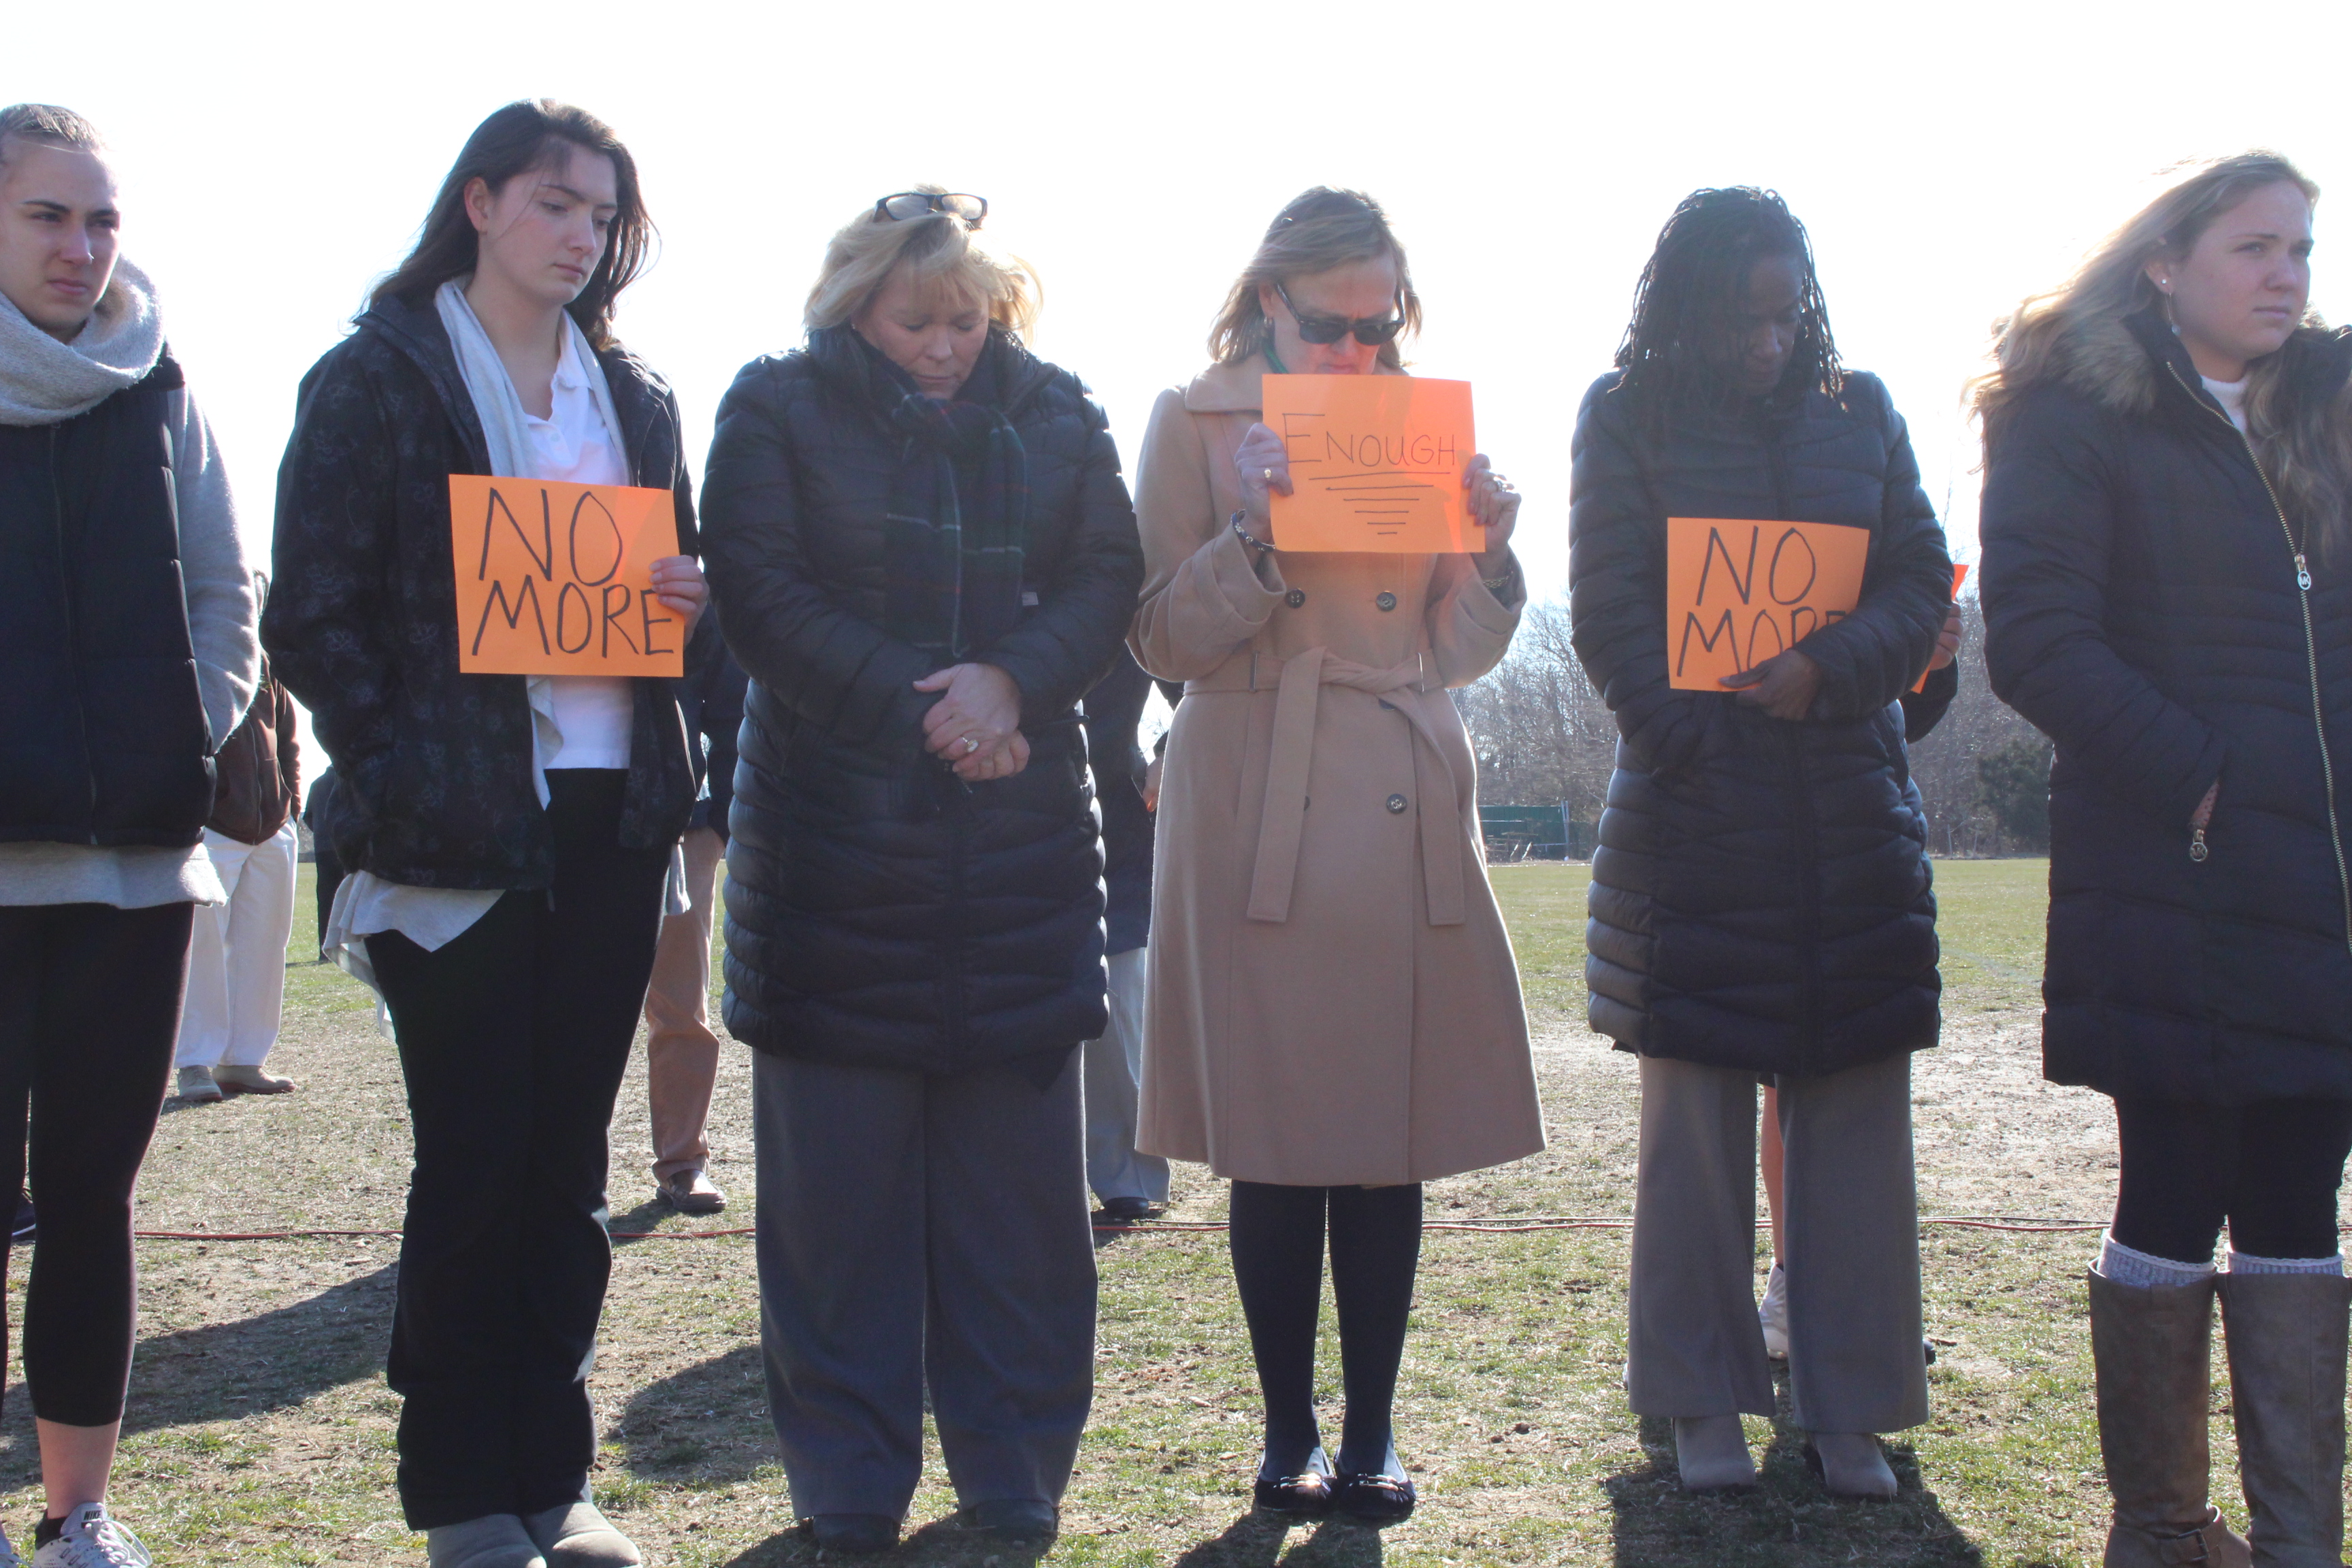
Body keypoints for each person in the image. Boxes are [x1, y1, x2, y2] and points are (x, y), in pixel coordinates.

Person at [267, 100, 712, 1568]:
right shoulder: (378, 375)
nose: (581, 235)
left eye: (601, 214)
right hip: (448, 829)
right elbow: (313, 614)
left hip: (610, 816)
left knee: (569, 1165)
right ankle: (459, 1491)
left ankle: (552, 1479)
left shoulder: (635, 397)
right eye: (552, 203)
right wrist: (397, 767)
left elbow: (683, 600)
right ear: (479, 203)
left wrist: (688, 614)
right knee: (474, 1157)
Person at [701, 188, 1143, 1558]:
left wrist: (1011, 684)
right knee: (838, 1224)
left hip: (1019, 871)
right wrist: (929, 707)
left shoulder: (1062, 414)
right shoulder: (773, 409)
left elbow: (1105, 578)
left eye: (970, 319)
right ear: (854, 304)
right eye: (917, 320)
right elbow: (762, 594)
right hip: (832, 870)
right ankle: (847, 1483)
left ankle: (1015, 1475)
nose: (947, 345)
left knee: (1020, 1219)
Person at [1131, 186, 1544, 1527]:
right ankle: (1287, 1432)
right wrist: (1252, 537)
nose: (1363, 354)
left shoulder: (1423, 430)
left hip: (1399, 791)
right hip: (1256, 793)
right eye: (1334, 325)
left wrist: (1491, 555)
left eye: (1385, 325)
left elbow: (1457, 651)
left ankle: (1371, 1435)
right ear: (1268, 302)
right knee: (1279, 1139)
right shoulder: (1191, 420)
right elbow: (1155, 641)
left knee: (1387, 1139)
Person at [1978, 152, 2352, 1568]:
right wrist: (2205, 777)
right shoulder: (2079, 416)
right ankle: (2165, 1532)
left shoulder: (2330, 410)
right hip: (2175, 880)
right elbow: (2041, 641)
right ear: (2164, 262)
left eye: (2304, 252)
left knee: (2303, 1195)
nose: (2287, 276)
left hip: (2323, 890)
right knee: (2176, 1185)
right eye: (2255, 247)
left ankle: (2301, 1541)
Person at [1570, 187, 1953, 1499]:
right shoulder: (1621, 416)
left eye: (1787, 314)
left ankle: (1852, 1404)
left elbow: (1918, 579)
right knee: (1693, 1139)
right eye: (1744, 318)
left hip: (1851, 820)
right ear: (1684, 308)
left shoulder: (1866, 409)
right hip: (1694, 829)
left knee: (1853, 1127)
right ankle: (1696, 1397)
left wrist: (1827, 670)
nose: (1770, 341)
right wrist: (1707, 742)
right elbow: (1611, 618)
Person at [0, 102, 257, 1568]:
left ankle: (77, 1514)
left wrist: (190, 732)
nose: (84, 247)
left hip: (132, 867)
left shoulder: (161, 385)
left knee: (92, 1201)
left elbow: (228, 585)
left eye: (102, 220)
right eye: (50, 216)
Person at [1757, 606, 1963, 1356]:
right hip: (1752, 830)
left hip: (1860, 849)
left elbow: (1888, 719)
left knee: (1862, 1087)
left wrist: (1928, 666)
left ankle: (1862, 1294)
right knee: (1781, 1085)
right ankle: (1788, 1280)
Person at [640, 644, 747, 1214]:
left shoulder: (682, 568)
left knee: (682, 1004)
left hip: (682, 823)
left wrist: (724, 813)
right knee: (562, 1009)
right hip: (556, 812)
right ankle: (564, 1172)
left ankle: (683, 1162)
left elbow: (732, 702)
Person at [175, 621, 301, 1101]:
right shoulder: (190, 651)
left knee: (265, 945)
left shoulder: (267, 659)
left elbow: (288, 732)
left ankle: (244, 1060)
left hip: (273, 824)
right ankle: (194, 1063)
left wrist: (292, 802)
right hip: (211, 824)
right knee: (201, 947)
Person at [1079, 648, 1170, 1222]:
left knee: (1118, 1013)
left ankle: (1128, 1174)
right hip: (982, 793)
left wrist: (1171, 750)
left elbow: (1199, 663)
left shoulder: (1125, 570)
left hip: (1113, 815)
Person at [304, 767, 344, 963]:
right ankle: (350, 947)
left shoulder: (317, 784)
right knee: (350, 899)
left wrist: (321, 831)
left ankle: (325, 951)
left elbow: (308, 816)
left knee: (326, 900)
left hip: (323, 849)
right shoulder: (347, 780)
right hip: (346, 848)